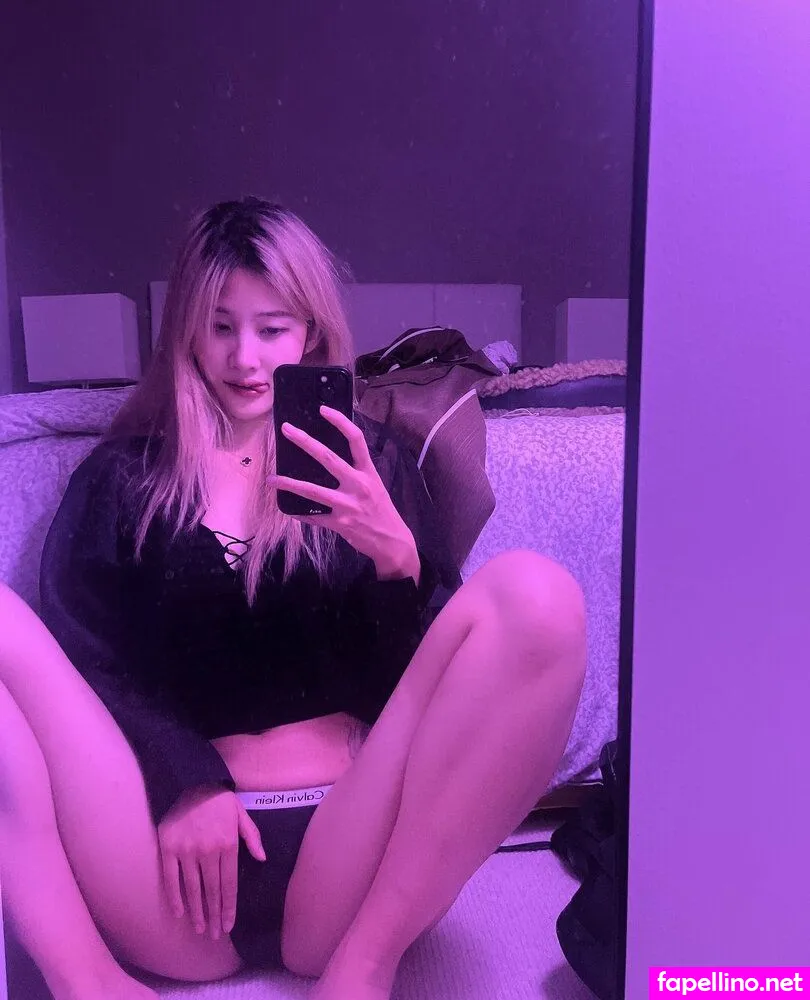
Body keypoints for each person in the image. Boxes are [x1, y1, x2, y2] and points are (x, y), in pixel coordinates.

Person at [0, 198, 587, 1000]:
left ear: (310, 332)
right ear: (185, 333)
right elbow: (92, 668)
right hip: (170, 866)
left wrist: (399, 564)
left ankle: (363, 968)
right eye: (219, 327)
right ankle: (86, 981)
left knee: (538, 595)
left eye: (271, 328)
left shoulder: (368, 464)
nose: (244, 358)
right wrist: (187, 778)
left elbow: (430, 700)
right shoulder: (123, 478)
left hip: (348, 855)